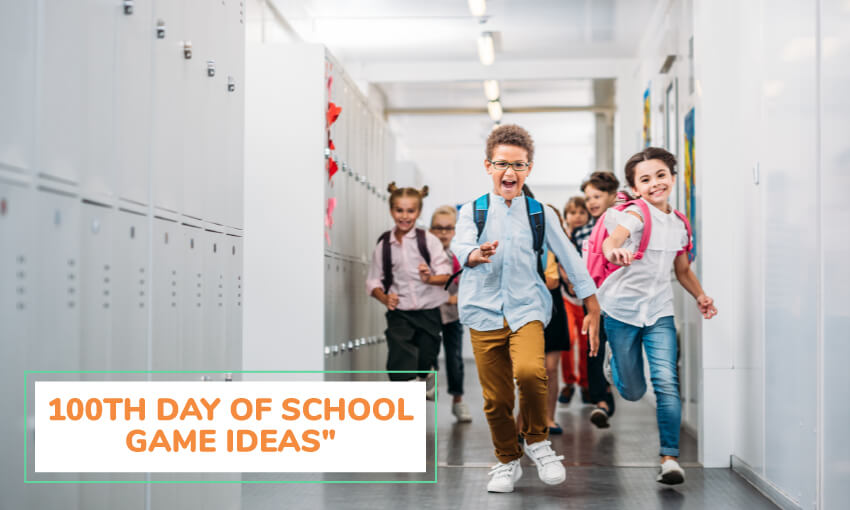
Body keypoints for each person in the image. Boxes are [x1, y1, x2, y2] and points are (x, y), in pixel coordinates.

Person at [451, 124, 600, 493]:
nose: (510, 172)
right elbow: (460, 246)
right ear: (488, 166)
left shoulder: (540, 213)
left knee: (533, 373)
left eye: (518, 166)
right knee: (495, 399)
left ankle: (536, 440)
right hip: (483, 311)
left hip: (526, 309)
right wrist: (475, 254)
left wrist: (593, 306)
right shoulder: (473, 210)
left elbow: (570, 258)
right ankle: (506, 461)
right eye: (502, 164)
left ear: (529, 169)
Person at [599, 147, 717, 485]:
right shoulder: (636, 214)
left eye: (661, 175)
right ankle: (616, 365)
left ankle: (669, 458)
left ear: (673, 178)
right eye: (645, 179)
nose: (655, 184)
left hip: (659, 311)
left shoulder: (679, 223)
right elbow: (611, 242)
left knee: (667, 382)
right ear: (636, 188)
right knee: (633, 391)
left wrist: (701, 295)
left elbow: (682, 269)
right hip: (621, 310)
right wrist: (615, 251)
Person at [366, 183, 452, 399]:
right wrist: (384, 298)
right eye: (399, 210)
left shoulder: (429, 241)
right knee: (400, 358)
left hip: (428, 311)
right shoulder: (384, 244)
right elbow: (373, 280)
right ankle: (405, 404)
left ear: (419, 212)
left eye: (410, 211)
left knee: (425, 356)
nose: (404, 216)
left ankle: (426, 375)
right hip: (400, 311)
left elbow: (446, 274)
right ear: (391, 210)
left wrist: (429, 277)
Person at [578, 172, 620, 427]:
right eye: (588, 197)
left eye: (597, 196)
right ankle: (602, 402)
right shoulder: (584, 231)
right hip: (595, 300)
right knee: (594, 348)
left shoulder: (621, 224)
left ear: (612, 196)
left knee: (616, 354)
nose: (592, 202)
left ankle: (610, 396)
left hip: (619, 300)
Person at [429, 205, 472, 422]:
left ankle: (458, 400)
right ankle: (430, 384)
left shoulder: (460, 254)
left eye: (449, 228)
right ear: (430, 230)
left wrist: (457, 297)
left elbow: (469, 281)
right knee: (429, 352)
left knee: (454, 358)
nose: (443, 233)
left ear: (456, 231)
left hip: (453, 313)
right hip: (430, 311)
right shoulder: (425, 253)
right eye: (438, 228)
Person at [558, 197, 590, 405]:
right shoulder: (562, 237)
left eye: (581, 212)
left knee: (586, 343)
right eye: (572, 213)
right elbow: (558, 260)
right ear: (566, 217)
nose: (577, 217)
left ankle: (585, 384)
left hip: (587, 299)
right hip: (567, 297)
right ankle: (569, 382)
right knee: (568, 340)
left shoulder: (590, 237)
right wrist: (567, 278)